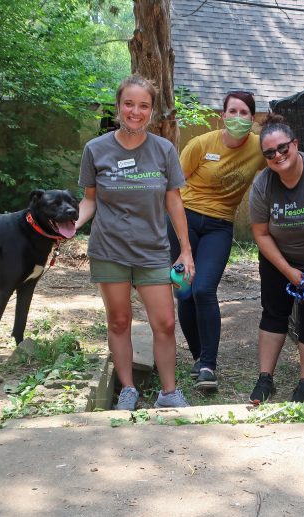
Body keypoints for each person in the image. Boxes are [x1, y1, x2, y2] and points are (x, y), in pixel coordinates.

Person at [76, 75, 193, 410]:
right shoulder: (96, 150)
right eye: (129, 103)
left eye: (143, 105)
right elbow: (89, 201)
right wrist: (69, 226)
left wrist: (185, 249)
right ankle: (128, 389)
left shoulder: (164, 150)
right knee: (119, 320)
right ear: (118, 105)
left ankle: (169, 393)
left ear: (152, 110)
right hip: (109, 249)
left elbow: (174, 202)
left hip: (153, 250)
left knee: (166, 323)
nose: (135, 111)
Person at [167, 90, 266, 391]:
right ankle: (199, 358)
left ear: (253, 118)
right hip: (183, 221)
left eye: (244, 113)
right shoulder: (200, 144)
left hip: (219, 227)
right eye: (232, 112)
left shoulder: (259, 147)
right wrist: (182, 244)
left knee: (204, 289)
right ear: (222, 116)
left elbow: (287, 157)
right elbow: (172, 189)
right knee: (184, 292)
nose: (238, 118)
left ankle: (209, 364)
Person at [247, 115, 304, 403]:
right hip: (279, 259)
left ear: (295, 144)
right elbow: (260, 234)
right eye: (269, 153)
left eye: (283, 148)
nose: (277, 156)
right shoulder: (263, 184)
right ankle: (264, 379)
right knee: (273, 313)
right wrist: (287, 271)